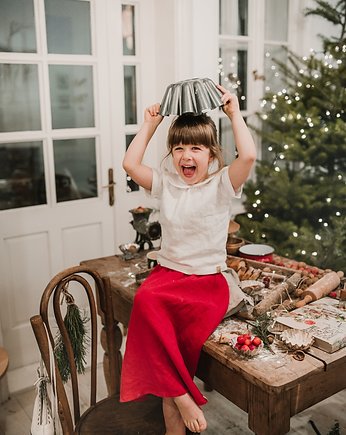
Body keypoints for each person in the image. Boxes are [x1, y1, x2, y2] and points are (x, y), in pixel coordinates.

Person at [120, 84, 256, 434]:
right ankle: (180, 397)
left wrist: (234, 114)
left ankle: (179, 392)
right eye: (178, 147)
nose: (185, 155)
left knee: (168, 340)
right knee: (147, 299)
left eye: (195, 147)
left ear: (211, 153)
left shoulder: (223, 183)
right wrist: (150, 124)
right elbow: (129, 163)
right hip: (169, 276)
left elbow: (250, 157)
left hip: (208, 281)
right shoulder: (166, 183)